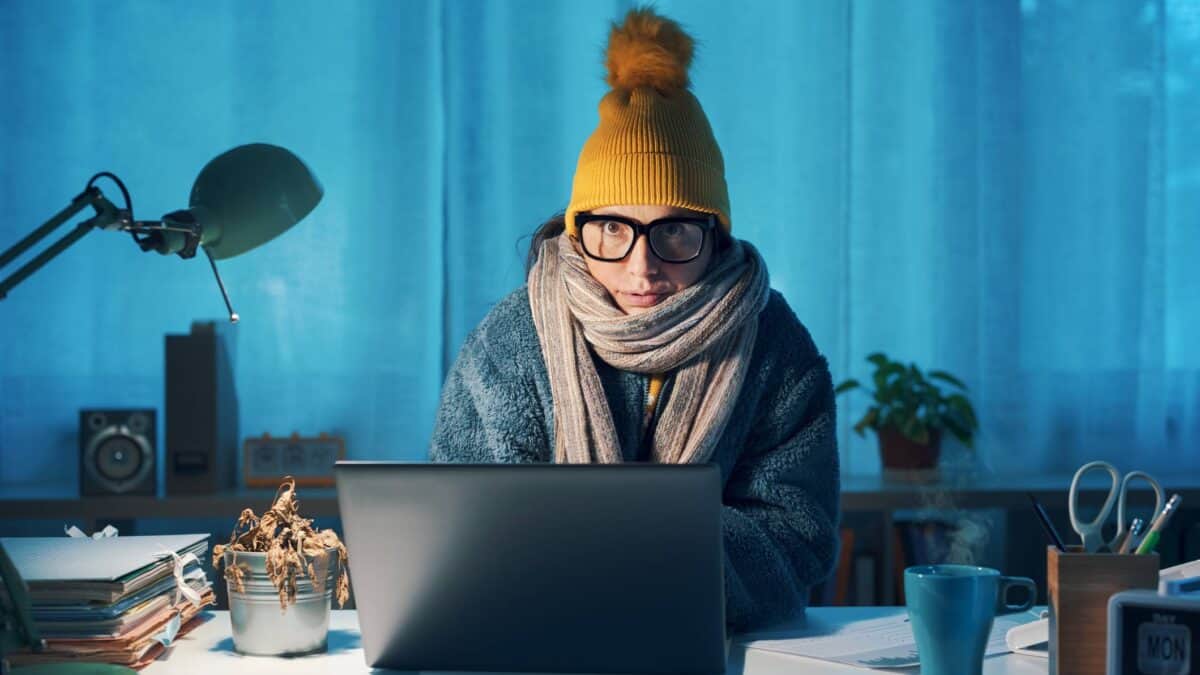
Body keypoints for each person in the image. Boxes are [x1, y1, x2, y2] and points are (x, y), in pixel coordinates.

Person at [429, 6, 839, 632]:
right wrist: (655, 538)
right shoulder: (512, 340)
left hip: (714, 643)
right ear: (578, 230)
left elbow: (798, 538)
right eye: (613, 229)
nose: (641, 267)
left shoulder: (776, 347)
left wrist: (634, 548)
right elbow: (460, 518)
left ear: (717, 235)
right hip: (534, 639)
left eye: (673, 230)